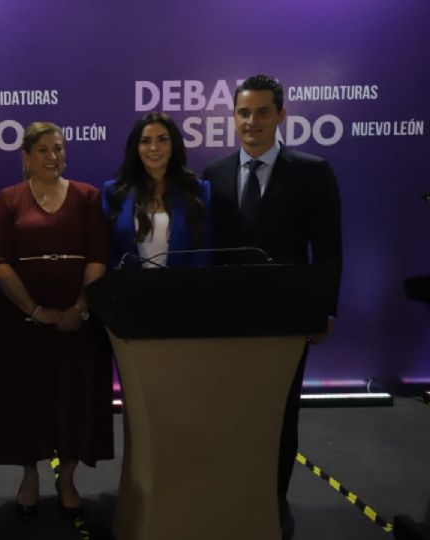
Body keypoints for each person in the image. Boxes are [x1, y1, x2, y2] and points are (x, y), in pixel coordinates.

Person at [203, 74, 342, 539]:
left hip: (286, 319)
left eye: (263, 112)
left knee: (281, 414)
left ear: (281, 115)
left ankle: (272, 501)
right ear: (234, 117)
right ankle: (232, 493)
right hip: (225, 320)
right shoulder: (213, 174)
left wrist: (324, 310)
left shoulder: (312, 171)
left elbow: (328, 249)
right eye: (244, 112)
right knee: (230, 411)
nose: (252, 122)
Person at [0, 121, 114, 519]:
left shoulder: (88, 196)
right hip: (21, 321)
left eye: (58, 148)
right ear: (26, 157)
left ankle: (68, 478)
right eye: (42, 150)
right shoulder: (9, 199)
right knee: (26, 399)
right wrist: (36, 311)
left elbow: (97, 257)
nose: (52, 156)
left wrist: (79, 309)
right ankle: (29, 476)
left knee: (76, 399)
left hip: (79, 320)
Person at [103, 111, 211, 268]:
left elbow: (204, 251)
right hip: (129, 289)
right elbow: (108, 252)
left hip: (185, 288)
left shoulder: (198, 190)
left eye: (162, 139)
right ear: (136, 147)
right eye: (145, 141)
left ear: (174, 144)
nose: (154, 148)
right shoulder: (114, 192)